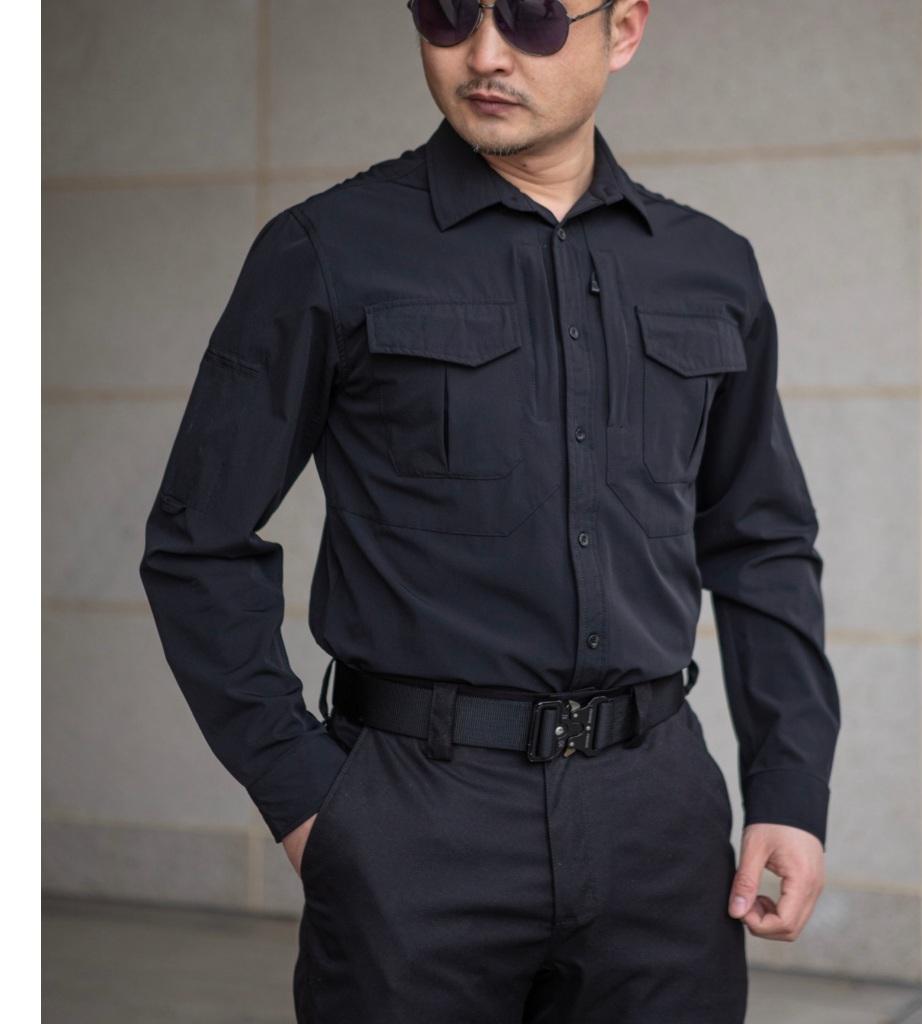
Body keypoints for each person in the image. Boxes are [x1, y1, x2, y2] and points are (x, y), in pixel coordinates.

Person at [139, 1, 841, 1021]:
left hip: (658, 821)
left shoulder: (711, 267)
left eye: (530, 18)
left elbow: (762, 542)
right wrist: (307, 800)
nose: (482, 54)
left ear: (624, 29)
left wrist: (790, 788)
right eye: (445, 14)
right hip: (414, 820)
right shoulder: (327, 249)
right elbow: (197, 543)